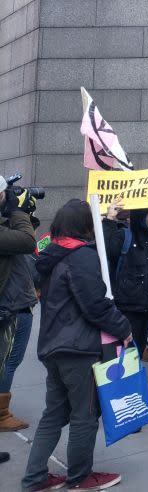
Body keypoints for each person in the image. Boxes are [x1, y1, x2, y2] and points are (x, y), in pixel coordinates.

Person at [22, 199, 131, 492]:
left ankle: (35, 479)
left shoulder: (49, 253)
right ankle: (80, 478)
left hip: (53, 346)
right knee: (85, 415)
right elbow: (95, 305)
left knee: (54, 414)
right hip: (78, 348)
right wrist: (124, 329)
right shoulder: (81, 256)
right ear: (86, 225)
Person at [102, 201, 148, 362]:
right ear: (140, 217)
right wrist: (109, 219)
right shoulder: (125, 236)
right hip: (127, 309)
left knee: (135, 357)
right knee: (122, 358)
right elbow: (105, 249)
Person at [0, 182, 39, 435]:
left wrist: (22, 212)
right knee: (8, 361)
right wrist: (17, 210)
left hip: (11, 302)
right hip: (12, 305)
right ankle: (2, 414)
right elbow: (25, 240)